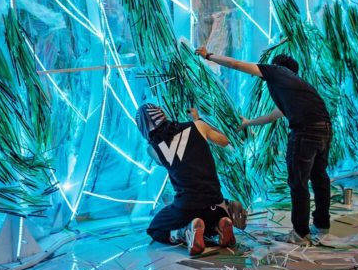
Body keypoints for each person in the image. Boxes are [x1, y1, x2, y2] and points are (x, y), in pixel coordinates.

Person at [195, 48, 332, 245]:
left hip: (304, 132)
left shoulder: (277, 72)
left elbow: (236, 64)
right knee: (319, 178)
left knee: (298, 182)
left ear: (276, 66)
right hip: (324, 130)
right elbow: (274, 115)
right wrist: (248, 123)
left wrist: (209, 56)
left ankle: (300, 234)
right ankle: (322, 225)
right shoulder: (299, 87)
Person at [135, 104, 247, 255]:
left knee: (155, 228)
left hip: (187, 207)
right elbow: (224, 140)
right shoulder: (198, 126)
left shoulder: (153, 150)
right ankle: (221, 222)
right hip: (215, 203)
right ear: (164, 114)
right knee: (209, 213)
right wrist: (198, 119)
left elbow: (169, 161)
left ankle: (183, 232)